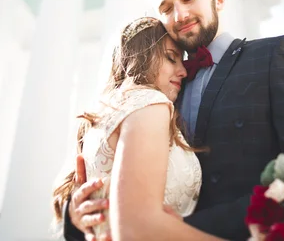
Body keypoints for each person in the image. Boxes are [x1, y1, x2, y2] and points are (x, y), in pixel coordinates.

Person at [65, 0, 284, 240]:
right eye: (166, 8)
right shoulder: (159, 90)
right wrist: (77, 216)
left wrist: (185, 227)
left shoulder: (275, 54)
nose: (180, 15)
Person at [53, 17, 222, 240]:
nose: (183, 71)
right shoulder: (149, 102)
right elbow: (140, 229)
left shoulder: (105, 112)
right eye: (171, 58)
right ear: (141, 55)